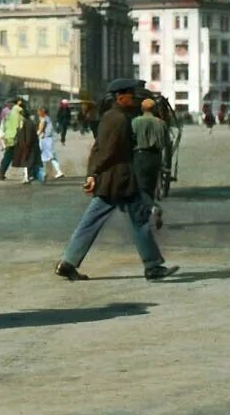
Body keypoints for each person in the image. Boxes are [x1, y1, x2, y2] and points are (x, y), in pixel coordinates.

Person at [54, 78, 178, 282]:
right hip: (119, 179)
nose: (135, 97)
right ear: (121, 97)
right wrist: (93, 173)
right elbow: (106, 151)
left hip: (115, 180)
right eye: (132, 94)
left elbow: (99, 148)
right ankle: (153, 266)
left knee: (97, 221)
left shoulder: (116, 116)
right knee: (137, 220)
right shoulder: (117, 119)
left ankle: (68, 263)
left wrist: (93, 173)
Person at [132, 97, 169, 228]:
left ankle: (154, 208)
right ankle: (145, 216)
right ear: (154, 109)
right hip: (156, 157)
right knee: (151, 188)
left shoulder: (135, 122)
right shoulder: (161, 123)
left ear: (142, 109)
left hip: (141, 156)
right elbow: (166, 143)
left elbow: (131, 139)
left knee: (140, 188)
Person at [0, 98, 23, 180]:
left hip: (15, 138)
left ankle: (1, 172)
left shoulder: (17, 113)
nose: (8, 106)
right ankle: (0, 173)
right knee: (8, 156)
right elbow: (4, 124)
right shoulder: (10, 113)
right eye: (7, 104)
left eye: (10, 104)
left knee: (11, 156)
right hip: (12, 138)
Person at [12, 104, 40, 184]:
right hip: (24, 145)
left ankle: (28, 177)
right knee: (26, 162)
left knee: (27, 162)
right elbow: (20, 133)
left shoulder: (28, 123)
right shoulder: (24, 122)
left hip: (27, 146)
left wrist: (25, 146)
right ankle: (27, 177)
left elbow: (28, 136)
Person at [36, 107, 65, 179]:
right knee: (50, 156)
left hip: (45, 140)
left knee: (42, 156)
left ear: (42, 112)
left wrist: (35, 136)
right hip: (49, 139)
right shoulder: (48, 118)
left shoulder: (44, 119)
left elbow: (40, 130)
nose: (37, 113)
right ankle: (55, 172)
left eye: (38, 112)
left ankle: (44, 173)